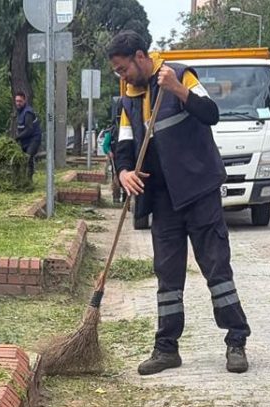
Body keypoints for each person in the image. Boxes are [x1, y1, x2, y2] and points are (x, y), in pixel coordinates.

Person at [107, 30, 252, 376]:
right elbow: (125, 144)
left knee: (217, 269)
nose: (121, 76)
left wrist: (177, 89)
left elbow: (211, 113)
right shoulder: (129, 97)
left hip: (199, 191)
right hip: (163, 199)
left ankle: (236, 341)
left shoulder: (180, 74)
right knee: (167, 276)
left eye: (123, 68)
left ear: (141, 56)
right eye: (117, 71)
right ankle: (166, 348)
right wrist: (124, 171)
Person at [11, 91, 42, 180]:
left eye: (20, 101)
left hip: (34, 139)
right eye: (16, 101)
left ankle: (28, 180)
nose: (18, 103)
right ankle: (21, 178)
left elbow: (29, 130)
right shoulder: (19, 112)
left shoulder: (28, 112)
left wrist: (17, 138)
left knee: (27, 158)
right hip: (25, 140)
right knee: (20, 158)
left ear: (25, 100)